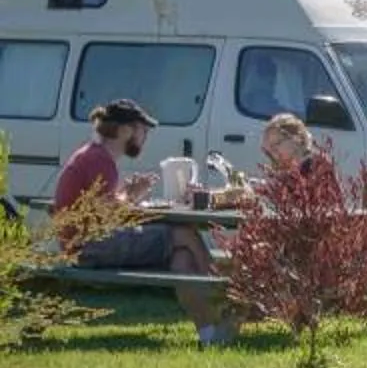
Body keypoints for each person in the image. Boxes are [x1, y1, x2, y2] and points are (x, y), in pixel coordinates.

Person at [50, 99, 232, 344]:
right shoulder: (98, 159)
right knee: (184, 232)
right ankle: (224, 297)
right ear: (125, 130)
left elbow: (107, 207)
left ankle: (210, 333)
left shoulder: (95, 155)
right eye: (143, 131)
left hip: (86, 242)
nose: (145, 137)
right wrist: (132, 198)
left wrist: (131, 195)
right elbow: (109, 215)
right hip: (87, 246)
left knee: (182, 258)